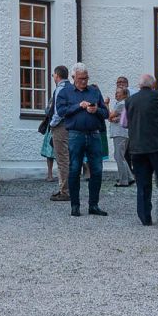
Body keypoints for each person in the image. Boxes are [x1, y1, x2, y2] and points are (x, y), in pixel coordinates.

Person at [120, 74, 158, 226]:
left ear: (139, 86)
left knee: (143, 183)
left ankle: (145, 217)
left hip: (137, 147)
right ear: (153, 85)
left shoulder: (130, 101)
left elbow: (124, 123)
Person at [61, 63, 109, 217]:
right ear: (73, 77)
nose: (84, 81)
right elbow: (61, 111)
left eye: (86, 78)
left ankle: (93, 205)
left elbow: (106, 113)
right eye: (81, 78)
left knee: (97, 170)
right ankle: (75, 206)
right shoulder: (65, 92)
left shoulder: (94, 91)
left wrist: (97, 110)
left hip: (94, 135)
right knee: (74, 169)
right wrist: (78, 106)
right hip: (75, 135)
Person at [49, 65, 71, 202]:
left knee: (62, 159)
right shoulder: (72, 88)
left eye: (53, 75)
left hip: (61, 126)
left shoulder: (60, 89)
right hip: (71, 126)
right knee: (68, 158)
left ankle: (64, 190)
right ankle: (66, 188)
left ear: (57, 75)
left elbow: (58, 112)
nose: (53, 78)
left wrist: (51, 124)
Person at [108, 81, 134, 187]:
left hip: (120, 133)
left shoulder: (121, 104)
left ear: (124, 94)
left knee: (119, 156)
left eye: (118, 93)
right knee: (119, 156)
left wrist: (106, 104)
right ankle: (129, 177)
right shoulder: (124, 103)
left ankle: (123, 180)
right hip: (123, 133)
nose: (116, 94)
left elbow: (109, 116)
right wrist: (114, 118)